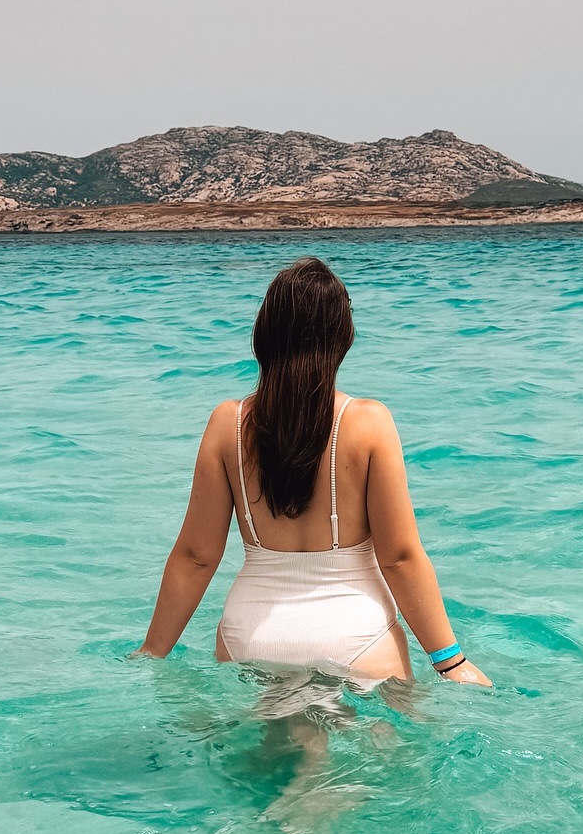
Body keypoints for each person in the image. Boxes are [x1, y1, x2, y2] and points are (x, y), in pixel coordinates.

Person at [138, 256, 490, 689]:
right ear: (343, 337)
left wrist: (151, 652)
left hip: (250, 636)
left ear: (263, 335)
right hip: (356, 637)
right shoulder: (369, 422)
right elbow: (399, 559)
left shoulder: (227, 423)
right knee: (393, 732)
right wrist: (451, 662)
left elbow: (196, 556)